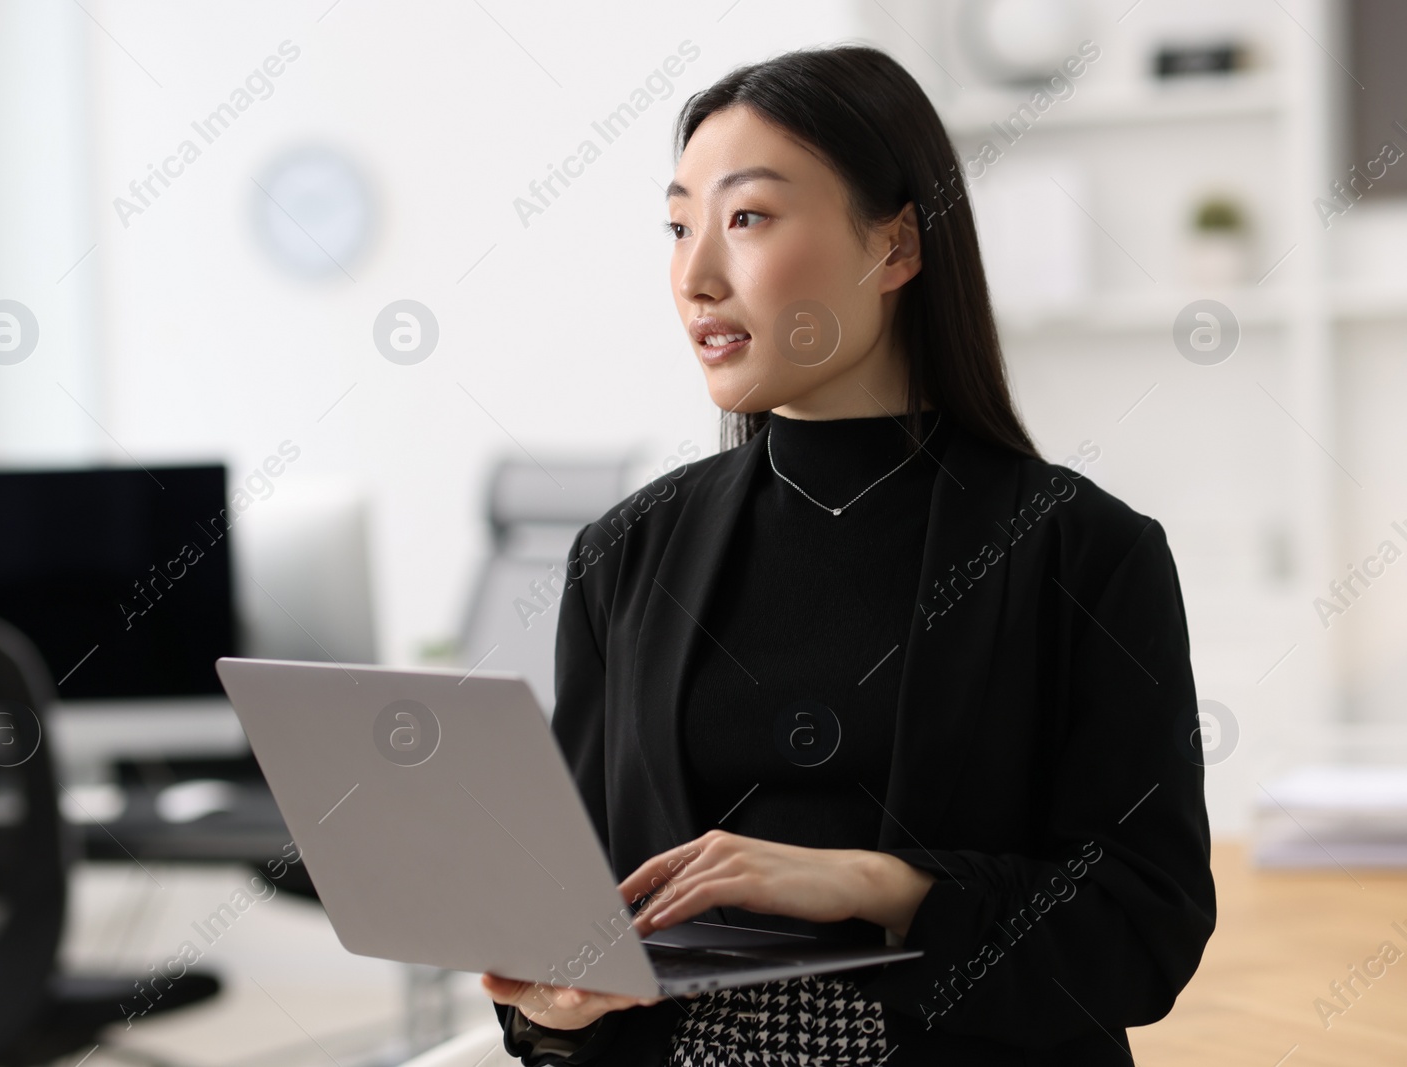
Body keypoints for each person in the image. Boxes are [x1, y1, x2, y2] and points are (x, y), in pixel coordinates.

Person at [482, 44, 1215, 1066]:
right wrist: (547, 1007)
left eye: (746, 218)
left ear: (897, 247)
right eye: (678, 225)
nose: (695, 275)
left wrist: (873, 885)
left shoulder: (1084, 553)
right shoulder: (623, 555)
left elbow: (1142, 932)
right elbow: (580, 912)